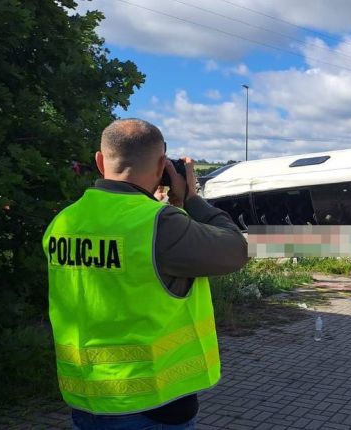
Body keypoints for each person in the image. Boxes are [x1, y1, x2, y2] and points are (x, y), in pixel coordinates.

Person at [42, 119, 249, 429]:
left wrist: (175, 207)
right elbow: (234, 250)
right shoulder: (159, 224)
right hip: (151, 405)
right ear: (161, 167)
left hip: (87, 398)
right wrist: (192, 199)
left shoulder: (64, 221)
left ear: (100, 161)